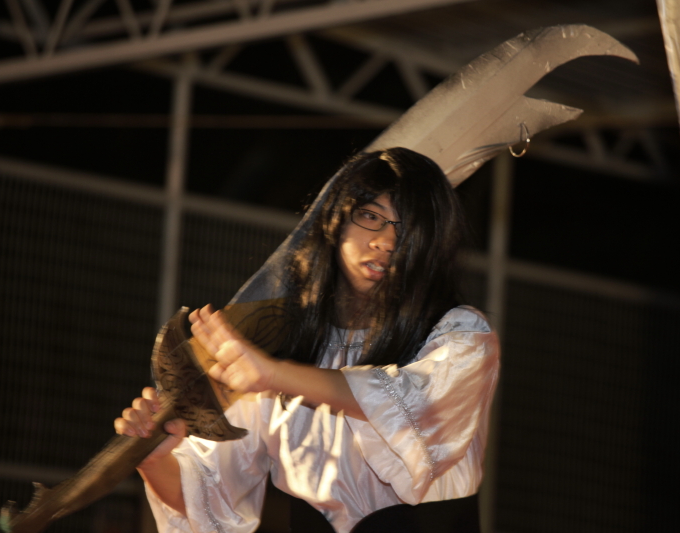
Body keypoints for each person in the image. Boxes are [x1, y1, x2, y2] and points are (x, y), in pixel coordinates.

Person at [115, 147, 500, 533]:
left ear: (432, 243)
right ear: (335, 222)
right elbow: (214, 499)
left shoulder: (461, 335)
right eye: (370, 216)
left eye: (407, 227)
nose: (386, 241)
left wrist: (274, 375)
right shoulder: (281, 344)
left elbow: (410, 404)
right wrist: (154, 459)